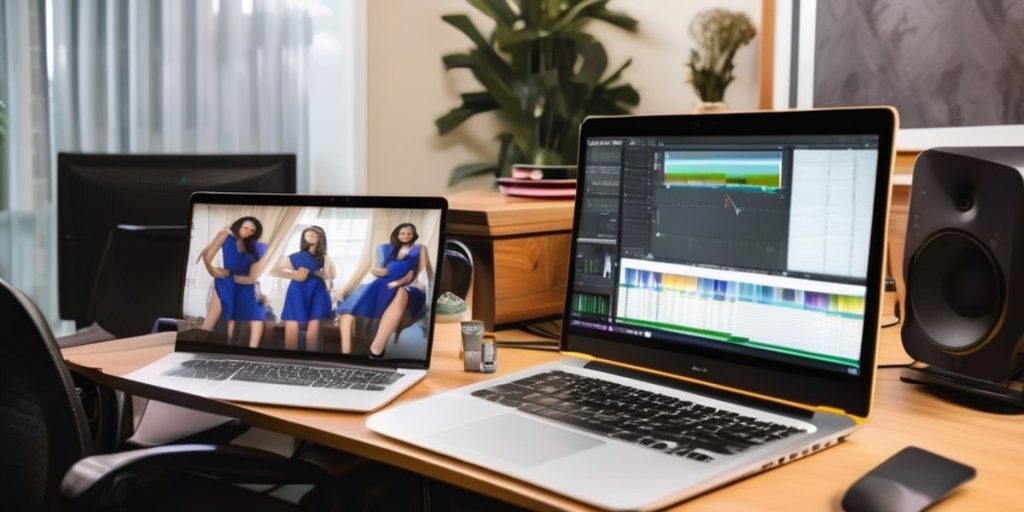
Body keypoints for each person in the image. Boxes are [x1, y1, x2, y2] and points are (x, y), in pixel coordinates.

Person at [339, 223, 433, 357]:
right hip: (386, 284)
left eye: (409, 233)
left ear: (414, 235)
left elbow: (422, 272)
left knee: (401, 291)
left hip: (413, 287)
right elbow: (379, 270)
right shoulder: (387, 250)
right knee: (365, 296)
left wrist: (413, 284)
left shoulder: (419, 248)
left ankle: (376, 349)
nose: (405, 235)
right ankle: (348, 355)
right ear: (397, 234)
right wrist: (378, 273)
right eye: (402, 233)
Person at [199, 216, 271, 348]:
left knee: (251, 316)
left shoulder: (253, 246)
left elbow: (258, 269)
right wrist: (215, 271)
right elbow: (207, 256)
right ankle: (198, 345)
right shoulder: (226, 235)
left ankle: (246, 348)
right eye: (245, 228)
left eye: (252, 231)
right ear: (238, 225)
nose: (248, 232)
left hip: (246, 283)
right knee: (212, 321)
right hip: (226, 281)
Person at [273, 226, 336, 350]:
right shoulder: (294, 257)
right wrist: (292, 274)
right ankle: (290, 358)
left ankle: (311, 359)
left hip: (318, 291)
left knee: (314, 324)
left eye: (315, 235)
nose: (311, 237)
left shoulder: (325, 257)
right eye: (308, 235)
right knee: (292, 321)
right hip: (297, 290)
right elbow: (272, 269)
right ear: (303, 238)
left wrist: (323, 275)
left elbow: (332, 275)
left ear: (321, 238)